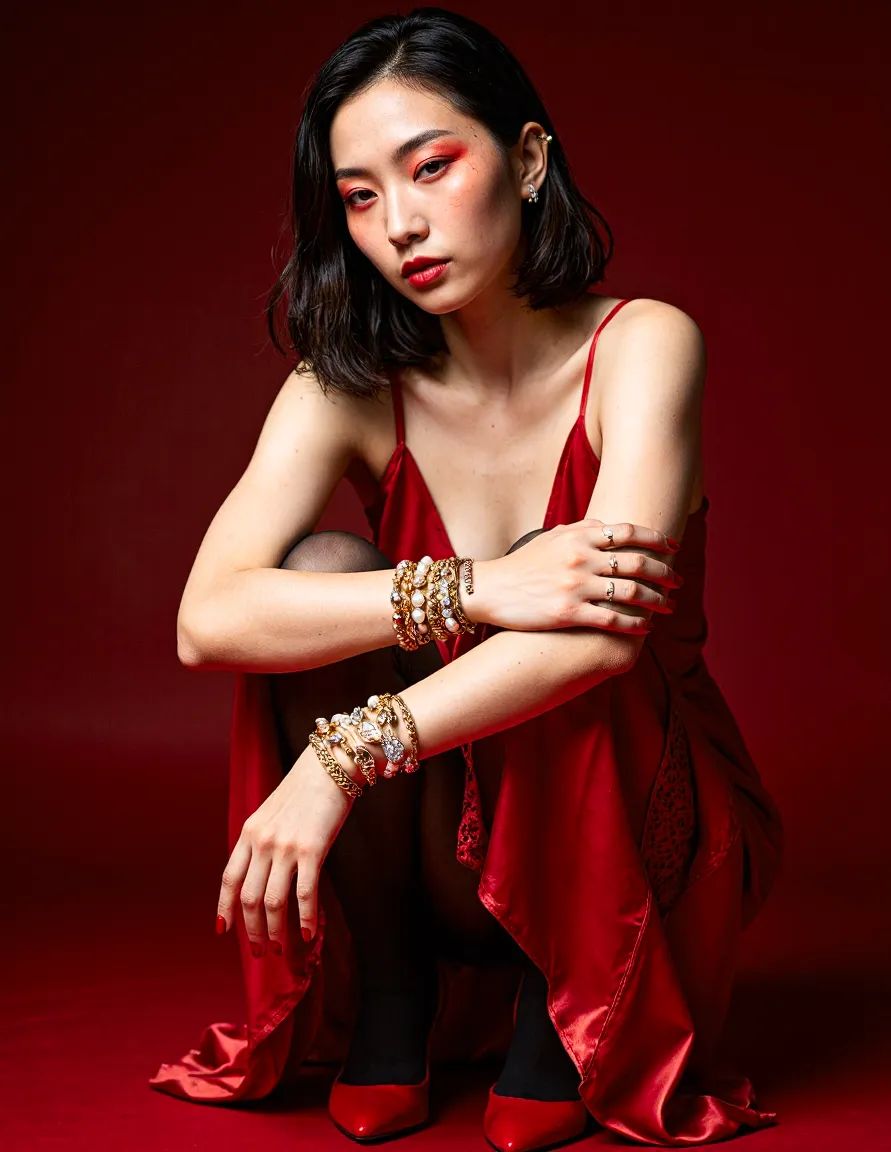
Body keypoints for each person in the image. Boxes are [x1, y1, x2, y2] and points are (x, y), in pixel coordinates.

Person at [150, 8, 785, 1149]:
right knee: (322, 571)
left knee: (585, 639)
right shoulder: (346, 385)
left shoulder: (642, 346)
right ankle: (395, 984)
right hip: (439, 842)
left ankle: (568, 993)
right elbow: (210, 617)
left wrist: (341, 757)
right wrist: (481, 586)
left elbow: (600, 632)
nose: (399, 223)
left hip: (636, 836)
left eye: (431, 167)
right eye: (356, 196)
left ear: (528, 159)